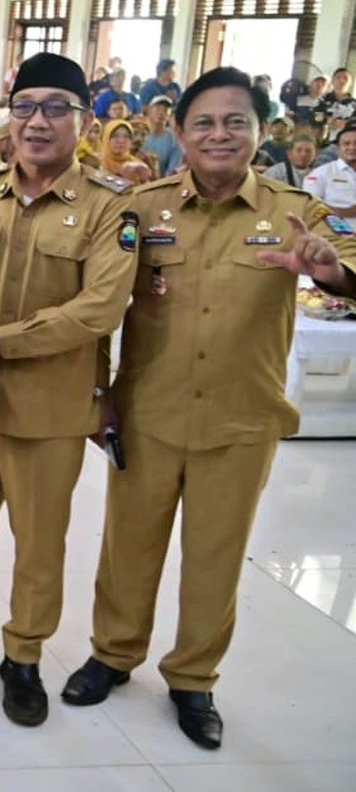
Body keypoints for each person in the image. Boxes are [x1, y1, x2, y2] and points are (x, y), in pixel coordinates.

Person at [60, 67, 356, 750]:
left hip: (241, 419)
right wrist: (101, 395)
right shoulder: (144, 207)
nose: (220, 134)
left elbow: (344, 261)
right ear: (180, 133)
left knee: (214, 557)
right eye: (205, 123)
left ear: (259, 131)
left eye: (235, 122)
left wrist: (326, 267)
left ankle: (193, 678)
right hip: (148, 413)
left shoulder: (294, 209)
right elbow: (105, 306)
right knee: (127, 548)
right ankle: (113, 653)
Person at [0, 52, 138, 729]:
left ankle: (24, 654)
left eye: (56, 108)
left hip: (50, 406)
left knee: (39, 540)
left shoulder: (107, 206)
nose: (38, 121)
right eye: (27, 105)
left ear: (84, 120)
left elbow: (101, 306)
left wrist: (1, 340)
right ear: (9, 115)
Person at [302, 124, 356, 216]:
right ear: (338, 148)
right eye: (346, 144)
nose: (352, 147)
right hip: (332, 229)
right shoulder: (321, 173)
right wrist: (348, 212)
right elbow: (309, 205)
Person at [97, 119, 154, 185]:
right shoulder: (97, 162)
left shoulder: (138, 164)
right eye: (115, 136)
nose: (121, 141)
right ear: (106, 138)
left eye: (126, 136)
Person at [139, 96, 180, 176]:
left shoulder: (174, 139)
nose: (161, 112)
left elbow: (173, 170)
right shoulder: (137, 133)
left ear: (169, 115)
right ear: (149, 110)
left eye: (165, 110)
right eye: (158, 108)